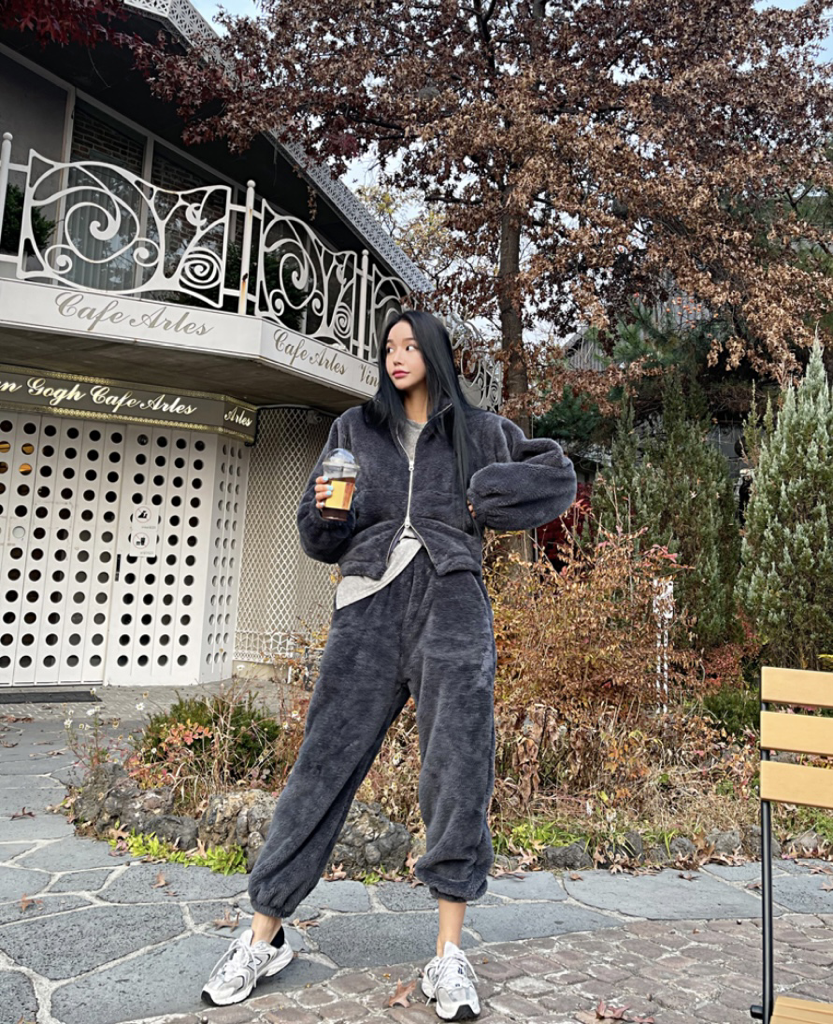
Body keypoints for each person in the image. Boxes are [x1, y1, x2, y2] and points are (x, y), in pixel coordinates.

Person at [201, 311, 577, 1019]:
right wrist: (328, 518)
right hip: (366, 611)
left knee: (457, 771)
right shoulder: (354, 428)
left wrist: (484, 497)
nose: (395, 357)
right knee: (321, 766)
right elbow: (318, 536)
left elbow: (556, 475)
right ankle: (262, 935)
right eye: (387, 348)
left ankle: (448, 955)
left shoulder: (481, 432)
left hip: (451, 609)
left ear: (434, 353)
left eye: (409, 345)